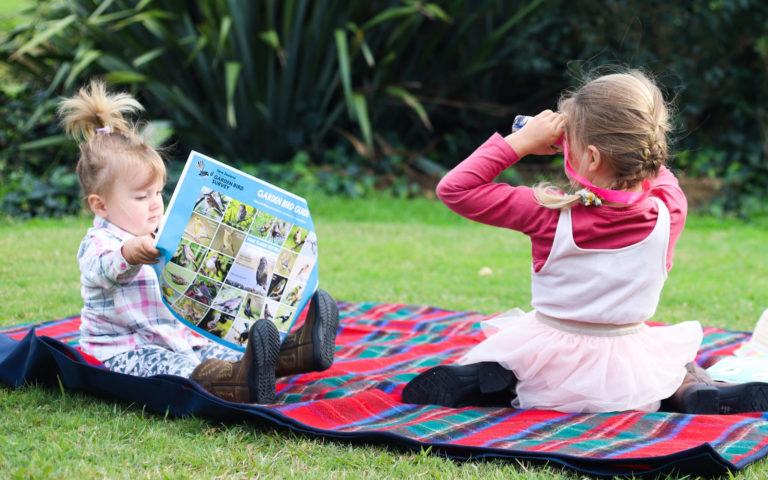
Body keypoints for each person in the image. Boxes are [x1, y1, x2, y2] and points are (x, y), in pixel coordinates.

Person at [402, 70, 768, 414]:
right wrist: (609, 144)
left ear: (590, 157)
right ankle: (694, 390)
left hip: (550, 353)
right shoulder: (668, 211)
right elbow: (654, 170)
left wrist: (519, 143)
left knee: (518, 358)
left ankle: (494, 381)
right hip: (628, 360)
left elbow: (455, 188)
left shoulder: (545, 211)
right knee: (669, 362)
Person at [60, 80, 339, 404]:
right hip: (124, 352)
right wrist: (130, 252)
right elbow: (104, 267)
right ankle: (238, 384)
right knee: (177, 368)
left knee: (228, 346)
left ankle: (297, 351)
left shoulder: (161, 228)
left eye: (157, 193)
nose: (154, 204)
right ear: (100, 205)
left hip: (179, 338)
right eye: (140, 196)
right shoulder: (99, 242)